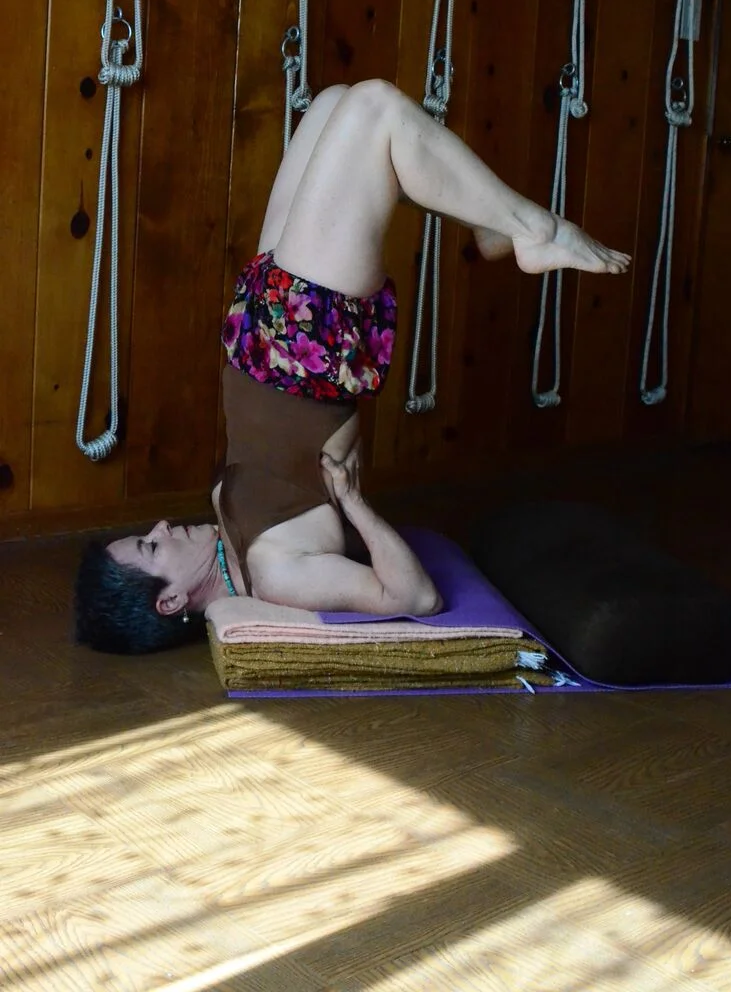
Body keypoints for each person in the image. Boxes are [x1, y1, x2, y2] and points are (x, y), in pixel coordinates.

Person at [75, 80, 630, 654]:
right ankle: (535, 230)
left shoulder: (228, 545)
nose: (161, 528)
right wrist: (355, 504)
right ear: (169, 601)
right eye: (151, 548)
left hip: (260, 335)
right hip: (307, 348)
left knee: (333, 102)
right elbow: (415, 597)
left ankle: (491, 223)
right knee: (374, 110)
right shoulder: (277, 575)